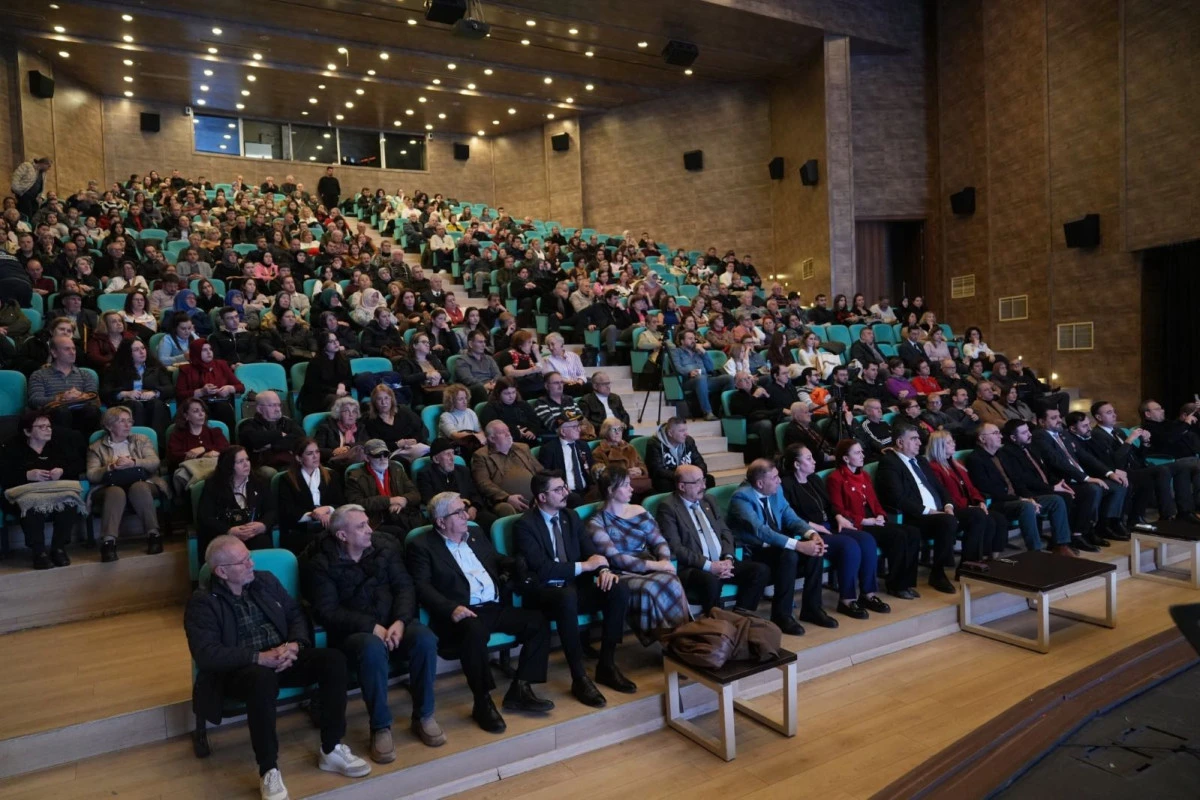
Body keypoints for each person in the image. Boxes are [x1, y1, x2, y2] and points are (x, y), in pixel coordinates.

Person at [185, 535, 370, 800]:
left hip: (283, 657)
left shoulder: (264, 580)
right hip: (240, 671)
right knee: (261, 680)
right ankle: (268, 769)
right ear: (222, 571)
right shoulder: (203, 602)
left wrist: (295, 644)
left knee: (334, 661)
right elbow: (207, 654)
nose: (251, 564)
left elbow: (295, 613)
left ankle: (332, 749)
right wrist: (259, 658)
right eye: (243, 561)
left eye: (249, 556)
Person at [301, 504, 445, 759]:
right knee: (371, 648)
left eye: (368, 523)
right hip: (353, 633)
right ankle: (380, 726)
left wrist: (400, 621)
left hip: (394, 622)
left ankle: (424, 715)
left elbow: (405, 587)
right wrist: (371, 627)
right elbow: (327, 611)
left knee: (424, 638)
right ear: (342, 536)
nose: (370, 530)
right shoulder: (321, 563)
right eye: (361, 526)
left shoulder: (384, 548)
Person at [406, 491, 554, 734]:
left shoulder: (474, 533)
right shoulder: (422, 546)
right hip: (461, 613)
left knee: (538, 621)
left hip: (493, 607)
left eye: (464, 509)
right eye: (458, 512)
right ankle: (482, 701)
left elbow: (494, 558)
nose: (466, 515)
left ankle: (521, 687)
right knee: (474, 632)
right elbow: (421, 586)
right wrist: (450, 608)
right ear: (441, 522)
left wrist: (514, 564)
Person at [515, 471, 638, 707]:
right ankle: (579, 676)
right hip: (543, 593)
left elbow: (590, 551)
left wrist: (602, 571)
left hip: (572, 588)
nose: (566, 493)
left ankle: (607, 664)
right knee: (566, 596)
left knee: (618, 588)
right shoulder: (525, 525)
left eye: (565, 487)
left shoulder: (570, 517)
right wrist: (585, 566)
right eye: (558, 490)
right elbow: (541, 569)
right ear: (541, 497)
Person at [726, 458, 837, 635]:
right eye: (775, 477)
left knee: (815, 550)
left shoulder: (776, 491)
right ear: (760, 483)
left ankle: (812, 609)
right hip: (753, 551)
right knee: (790, 555)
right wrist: (799, 545)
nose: (779, 480)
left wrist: (811, 534)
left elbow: (790, 517)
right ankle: (781, 615)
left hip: (777, 546)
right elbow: (762, 531)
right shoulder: (741, 498)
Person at [780, 445, 891, 619]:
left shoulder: (814, 479)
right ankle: (846, 600)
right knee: (849, 546)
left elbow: (830, 505)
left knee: (867, 539)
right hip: (810, 533)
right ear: (796, 464)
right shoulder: (786, 485)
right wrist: (815, 527)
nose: (814, 461)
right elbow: (790, 516)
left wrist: (838, 516)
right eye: (808, 458)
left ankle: (868, 594)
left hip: (830, 525)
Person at [586, 466, 691, 643]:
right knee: (649, 588)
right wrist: (658, 566)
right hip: (621, 572)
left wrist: (665, 560)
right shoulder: (596, 522)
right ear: (611, 490)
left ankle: (682, 635)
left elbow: (659, 541)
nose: (631, 489)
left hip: (649, 563)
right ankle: (666, 639)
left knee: (671, 579)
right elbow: (615, 558)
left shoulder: (639, 511)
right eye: (626, 485)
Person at [655, 464, 771, 615]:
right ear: (682, 486)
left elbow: (725, 532)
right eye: (697, 482)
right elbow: (676, 548)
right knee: (710, 580)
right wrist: (710, 566)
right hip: (695, 568)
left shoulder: (708, 500)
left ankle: (742, 615)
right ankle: (715, 624)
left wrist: (728, 558)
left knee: (760, 570)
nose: (703, 486)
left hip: (722, 561)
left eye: (703, 480)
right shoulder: (668, 508)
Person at [874, 423, 962, 593]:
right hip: (917, 516)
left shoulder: (920, 460)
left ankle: (967, 568)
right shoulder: (889, 462)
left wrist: (948, 505)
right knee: (948, 522)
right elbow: (896, 497)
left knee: (977, 516)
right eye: (913, 439)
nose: (919, 443)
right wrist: (929, 511)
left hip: (941, 512)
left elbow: (940, 487)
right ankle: (938, 573)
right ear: (900, 442)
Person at [966, 423, 1075, 555]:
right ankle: (1035, 551)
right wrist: (1021, 499)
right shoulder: (975, 459)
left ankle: (1060, 545)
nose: (1000, 436)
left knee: (1056, 500)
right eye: (995, 433)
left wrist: (1028, 497)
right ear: (982, 439)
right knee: (1026, 506)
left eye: (999, 433)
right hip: (999, 502)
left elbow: (1018, 481)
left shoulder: (1002, 454)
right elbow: (987, 488)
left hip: (1018, 498)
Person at [1092, 400, 1200, 526]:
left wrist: (1145, 442)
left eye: (1114, 411)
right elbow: (1115, 460)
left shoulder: (1117, 431)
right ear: (1098, 417)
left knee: (1182, 468)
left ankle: (1184, 512)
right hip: (1120, 472)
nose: (1115, 415)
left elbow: (1138, 456)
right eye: (1109, 412)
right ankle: (1167, 515)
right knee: (1164, 469)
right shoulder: (1097, 435)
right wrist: (1130, 440)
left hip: (1136, 468)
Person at [2, 412, 86, 569]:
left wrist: (61, 471)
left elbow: (77, 465)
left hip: (54, 492)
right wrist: (27, 475)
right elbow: (5, 475)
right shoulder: (12, 447)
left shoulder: (58, 445)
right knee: (32, 505)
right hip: (22, 494)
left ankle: (58, 548)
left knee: (69, 502)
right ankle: (39, 552)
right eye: (41, 427)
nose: (48, 430)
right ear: (27, 431)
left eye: (49, 426)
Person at [1031, 406, 1124, 547]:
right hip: (1063, 481)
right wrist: (1086, 478)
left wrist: (1109, 473)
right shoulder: (1040, 436)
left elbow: (1085, 456)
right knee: (1093, 489)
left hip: (1078, 477)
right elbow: (1057, 461)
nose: (1059, 421)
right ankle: (1078, 533)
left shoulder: (1062, 434)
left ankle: (1103, 526)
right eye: (1053, 418)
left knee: (1117, 485)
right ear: (1042, 422)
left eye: (1059, 417)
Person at [85, 406, 167, 562]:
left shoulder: (141, 440)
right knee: (115, 492)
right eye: (122, 421)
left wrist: (134, 462)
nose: (128, 425)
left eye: (130, 421)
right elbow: (92, 474)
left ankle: (154, 535)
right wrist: (111, 467)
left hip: (144, 482)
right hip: (109, 486)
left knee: (139, 487)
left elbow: (154, 463)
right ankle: (109, 543)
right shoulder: (96, 447)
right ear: (109, 426)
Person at [925, 430, 1008, 563]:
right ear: (938, 446)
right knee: (985, 519)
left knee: (998, 518)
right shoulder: (934, 468)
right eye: (949, 442)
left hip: (968, 506)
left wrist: (979, 501)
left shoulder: (957, 464)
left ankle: (989, 558)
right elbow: (944, 494)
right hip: (951, 508)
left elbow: (971, 487)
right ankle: (972, 562)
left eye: (953, 441)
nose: (954, 444)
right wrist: (969, 506)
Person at [196, 445, 275, 560]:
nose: (246, 464)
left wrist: (263, 525)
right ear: (228, 466)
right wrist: (229, 531)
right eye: (240, 461)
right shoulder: (213, 485)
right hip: (225, 535)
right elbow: (205, 517)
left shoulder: (259, 481)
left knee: (262, 542)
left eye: (247, 459)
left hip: (253, 534)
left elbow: (272, 510)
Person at [276, 438, 344, 553]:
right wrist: (314, 515)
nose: (315, 456)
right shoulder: (286, 480)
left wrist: (327, 509)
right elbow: (287, 511)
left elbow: (341, 503)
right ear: (299, 458)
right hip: (300, 530)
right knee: (324, 544)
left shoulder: (332, 475)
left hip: (328, 525)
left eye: (317, 452)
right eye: (310, 453)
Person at [415, 437, 497, 533]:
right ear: (436, 459)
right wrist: (457, 510)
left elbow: (474, 493)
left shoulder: (463, 471)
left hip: (469, 510)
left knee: (491, 520)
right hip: (448, 515)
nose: (452, 458)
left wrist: (474, 507)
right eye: (447, 454)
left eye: (453, 453)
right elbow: (429, 500)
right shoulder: (425, 474)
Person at [343, 438, 423, 535]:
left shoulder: (396, 469)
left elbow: (415, 494)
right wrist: (389, 501)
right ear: (367, 458)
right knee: (400, 533)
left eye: (385, 454)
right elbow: (356, 504)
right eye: (377, 455)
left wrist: (403, 500)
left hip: (400, 514)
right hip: (376, 520)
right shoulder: (355, 477)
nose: (383, 458)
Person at [471, 420, 546, 517]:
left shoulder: (523, 448)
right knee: (506, 508)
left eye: (508, 431)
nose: (508, 434)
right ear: (492, 439)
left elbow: (540, 472)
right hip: (503, 501)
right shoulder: (481, 456)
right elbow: (483, 483)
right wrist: (507, 498)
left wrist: (540, 493)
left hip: (535, 496)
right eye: (502, 432)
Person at [28, 334, 102, 431]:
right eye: (67, 349)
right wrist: (61, 398)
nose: (72, 352)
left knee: (92, 411)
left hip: (82, 415)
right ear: (54, 353)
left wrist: (80, 395)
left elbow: (93, 396)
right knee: (61, 411)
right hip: (55, 415)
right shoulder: (39, 375)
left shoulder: (85, 374)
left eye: (74, 349)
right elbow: (35, 400)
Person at [100, 338, 174, 435]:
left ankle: (157, 444)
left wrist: (155, 393)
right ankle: (135, 440)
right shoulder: (115, 370)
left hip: (151, 402)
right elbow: (105, 391)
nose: (142, 352)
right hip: (127, 404)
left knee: (156, 405)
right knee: (135, 405)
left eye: (143, 348)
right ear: (128, 353)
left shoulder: (156, 368)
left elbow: (170, 389)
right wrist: (125, 393)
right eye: (136, 350)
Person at [176, 339, 243, 431]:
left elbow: (241, 387)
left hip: (219, 402)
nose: (209, 352)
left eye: (210, 349)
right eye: (204, 350)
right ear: (196, 352)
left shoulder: (221, 365)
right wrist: (201, 392)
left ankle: (229, 441)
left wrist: (229, 388)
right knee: (197, 411)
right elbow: (179, 394)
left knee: (223, 408)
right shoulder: (186, 370)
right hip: (197, 404)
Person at [239, 391, 307, 477]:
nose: (278, 409)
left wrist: (272, 445)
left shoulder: (287, 422)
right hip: (262, 465)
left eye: (279, 405)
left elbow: (301, 438)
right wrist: (279, 434)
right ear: (259, 408)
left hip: (287, 462)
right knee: (270, 473)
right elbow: (254, 440)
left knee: (302, 468)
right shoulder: (248, 424)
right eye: (273, 405)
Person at [537, 409, 597, 504]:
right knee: (575, 499)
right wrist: (561, 487)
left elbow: (591, 465)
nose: (579, 429)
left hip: (587, 489)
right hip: (565, 492)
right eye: (574, 427)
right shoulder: (549, 449)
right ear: (563, 432)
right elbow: (545, 475)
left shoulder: (583, 445)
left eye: (578, 425)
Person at [670, 329, 731, 421]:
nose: (693, 341)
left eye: (694, 339)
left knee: (728, 378)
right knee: (701, 378)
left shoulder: (698, 351)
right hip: (688, 381)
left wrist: (704, 353)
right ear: (682, 341)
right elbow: (677, 367)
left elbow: (710, 368)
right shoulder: (676, 352)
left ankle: (724, 410)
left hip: (706, 379)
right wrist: (689, 372)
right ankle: (707, 412)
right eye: (690, 339)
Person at [363, 384, 429, 463]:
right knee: (399, 461)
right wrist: (397, 445)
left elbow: (423, 430)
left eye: (386, 398)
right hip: (392, 453)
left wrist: (415, 439)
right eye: (379, 399)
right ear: (374, 402)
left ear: (391, 399)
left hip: (413, 447)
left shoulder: (404, 412)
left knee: (430, 454)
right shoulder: (371, 421)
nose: (384, 402)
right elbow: (375, 446)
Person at [646, 417, 711, 493]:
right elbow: (657, 470)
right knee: (664, 484)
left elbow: (699, 462)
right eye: (681, 431)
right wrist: (681, 477)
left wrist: (696, 475)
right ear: (670, 433)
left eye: (686, 430)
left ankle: (700, 503)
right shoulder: (654, 444)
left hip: (688, 477)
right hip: (670, 478)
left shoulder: (689, 441)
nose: (686, 434)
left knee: (709, 480)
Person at [592, 417, 652, 496]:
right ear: (606, 431)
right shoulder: (599, 452)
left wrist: (641, 470)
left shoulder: (630, 448)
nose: (618, 433)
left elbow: (641, 464)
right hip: (619, 488)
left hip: (638, 482)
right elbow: (605, 476)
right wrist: (626, 474)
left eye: (620, 429)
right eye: (614, 430)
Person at [478, 377, 546, 446]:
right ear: (498, 393)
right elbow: (492, 429)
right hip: (506, 443)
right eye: (507, 393)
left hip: (529, 439)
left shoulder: (522, 404)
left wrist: (532, 431)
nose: (511, 396)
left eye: (513, 392)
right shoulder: (490, 408)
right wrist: (516, 432)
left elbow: (535, 420)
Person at [299, 330, 353, 415]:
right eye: (331, 342)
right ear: (324, 345)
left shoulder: (344, 359)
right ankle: (333, 425)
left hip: (338, 393)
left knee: (350, 401)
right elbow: (312, 386)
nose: (336, 343)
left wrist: (343, 384)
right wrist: (335, 390)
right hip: (318, 397)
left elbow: (349, 378)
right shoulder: (315, 362)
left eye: (336, 340)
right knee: (337, 401)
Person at [398, 332, 450, 406]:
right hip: (423, 394)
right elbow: (405, 379)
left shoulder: (432, 358)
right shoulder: (406, 361)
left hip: (440, 387)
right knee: (449, 396)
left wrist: (437, 374)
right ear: (415, 345)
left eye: (428, 342)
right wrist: (427, 375)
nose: (427, 344)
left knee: (460, 392)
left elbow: (447, 374)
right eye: (423, 342)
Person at [453, 330, 503, 405]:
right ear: (470, 344)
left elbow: (497, 374)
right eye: (480, 342)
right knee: (479, 388)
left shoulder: (489, 358)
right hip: (475, 389)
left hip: (491, 386)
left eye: (484, 342)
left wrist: (493, 384)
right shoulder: (462, 360)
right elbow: (467, 379)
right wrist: (484, 385)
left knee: (509, 383)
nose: (484, 345)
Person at [579, 371, 632, 437]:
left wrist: (623, 424)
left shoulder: (615, 398)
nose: (608, 386)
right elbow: (586, 423)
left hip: (619, 430)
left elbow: (625, 415)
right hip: (600, 433)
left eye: (609, 383)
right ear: (595, 386)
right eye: (605, 384)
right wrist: (607, 427)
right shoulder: (586, 401)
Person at [438, 383, 487, 453]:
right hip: (453, 449)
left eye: (465, 398)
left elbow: (480, 431)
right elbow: (455, 435)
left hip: (471, 445)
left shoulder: (470, 412)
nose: (465, 402)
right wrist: (475, 436)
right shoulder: (445, 416)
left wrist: (481, 437)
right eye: (460, 399)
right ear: (451, 401)